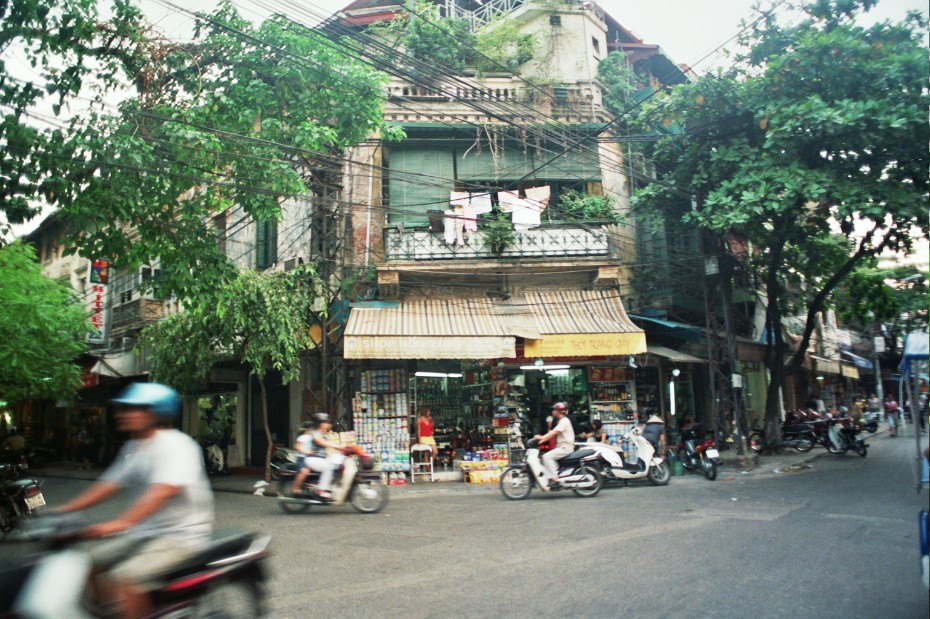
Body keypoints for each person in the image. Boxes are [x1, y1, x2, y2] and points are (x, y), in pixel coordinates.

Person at [54, 382, 214, 619]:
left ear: (155, 412)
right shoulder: (133, 447)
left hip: (181, 536)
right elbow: (108, 484)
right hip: (145, 534)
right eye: (124, 408)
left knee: (125, 579)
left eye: (133, 409)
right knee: (90, 562)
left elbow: (163, 491)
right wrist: (65, 509)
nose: (123, 414)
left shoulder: (177, 446)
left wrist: (120, 523)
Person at [291, 413, 343, 500]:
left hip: (314, 457)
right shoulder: (311, 435)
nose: (328, 424)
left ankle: (328, 487)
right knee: (306, 471)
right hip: (304, 458)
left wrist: (330, 453)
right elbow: (320, 443)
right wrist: (338, 446)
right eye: (325, 422)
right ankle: (298, 488)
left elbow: (322, 447)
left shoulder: (321, 434)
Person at [533, 402, 575, 487]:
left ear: (558, 411)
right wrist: (542, 440)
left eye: (554, 410)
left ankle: (555, 479)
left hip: (566, 447)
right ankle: (554, 476)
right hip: (562, 447)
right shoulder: (561, 421)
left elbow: (554, 432)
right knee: (548, 458)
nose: (552, 412)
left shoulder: (564, 421)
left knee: (546, 457)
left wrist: (542, 437)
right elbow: (553, 433)